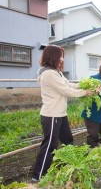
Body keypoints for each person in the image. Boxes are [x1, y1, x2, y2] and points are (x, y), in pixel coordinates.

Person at [32, 45, 93, 182]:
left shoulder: (56, 72)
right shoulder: (48, 74)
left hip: (60, 114)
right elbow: (65, 91)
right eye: (60, 55)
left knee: (67, 140)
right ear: (53, 56)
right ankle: (38, 175)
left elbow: (69, 85)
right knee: (50, 145)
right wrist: (85, 92)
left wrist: (85, 85)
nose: (62, 58)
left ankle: (68, 167)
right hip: (52, 115)